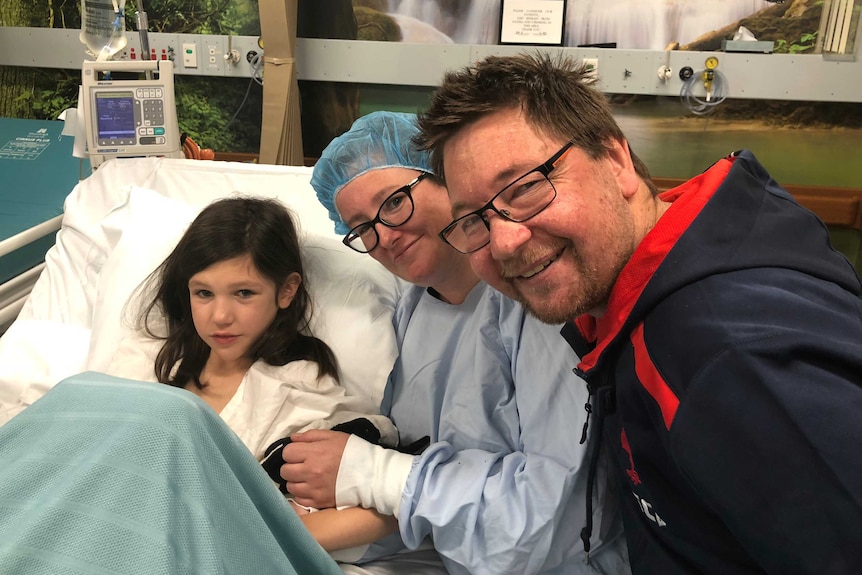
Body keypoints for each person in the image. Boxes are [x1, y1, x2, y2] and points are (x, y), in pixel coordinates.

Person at [413, 51, 862, 574]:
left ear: (616, 161)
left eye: (527, 187)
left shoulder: (729, 360)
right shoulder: (667, 274)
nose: (505, 241)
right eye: (474, 220)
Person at [279, 111, 630, 575]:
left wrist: (372, 474)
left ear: (451, 185)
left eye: (394, 202)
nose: (383, 235)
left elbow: (554, 522)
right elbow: (426, 479)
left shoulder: (538, 304)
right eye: (362, 228)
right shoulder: (413, 312)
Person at [109, 196, 400, 554]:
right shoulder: (144, 359)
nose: (220, 316)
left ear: (286, 290)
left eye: (243, 293)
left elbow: (385, 510)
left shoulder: (300, 394)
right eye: (203, 293)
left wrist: (230, 536)